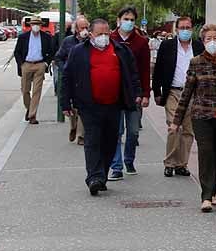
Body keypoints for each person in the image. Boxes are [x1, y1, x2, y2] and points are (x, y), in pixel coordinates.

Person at [60, 18, 141, 196]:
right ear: (91, 34)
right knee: (93, 140)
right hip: (89, 105)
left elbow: (132, 74)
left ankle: (102, 174)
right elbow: (67, 77)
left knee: (110, 141)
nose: (103, 37)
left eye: (106, 33)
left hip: (114, 104)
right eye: (99, 34)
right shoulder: (78, 52)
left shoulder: (120, 50)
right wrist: (65, 103)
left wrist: (136, 93)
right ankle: (94, 177)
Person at [168, 23, 216, 212]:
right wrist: (176, 121)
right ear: (203, 41)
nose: (212, 42)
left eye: (215, 38)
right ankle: (206, 196)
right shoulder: (196, 62)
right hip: (201, 115)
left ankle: (213, 191)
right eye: (208, 39)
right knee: (205, 152)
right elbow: (187, 93)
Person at [152, 17, 203, 178]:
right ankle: (170, 163)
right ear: (176, 29)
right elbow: (158, 69)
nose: (185, 31)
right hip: (173, 92)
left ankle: (182, 164)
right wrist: (157, 92)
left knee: (188, 130)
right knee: (174, 127)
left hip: (193, 93)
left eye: (188, 27)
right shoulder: (167, 46)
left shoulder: (198, 46)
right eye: (182, 28)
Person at [108, 6, 152, 181]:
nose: (129, 22)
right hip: (115, 94)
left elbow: (144, 70)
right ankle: (116, 166)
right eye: (125, 19)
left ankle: (129, 160)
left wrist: (146, 93)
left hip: (134, 94)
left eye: (132, 19)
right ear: (118, 20)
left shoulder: (141, 42)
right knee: (116, 131)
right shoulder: (110, 40)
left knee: (133, 131)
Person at [55, 16, 91, 144]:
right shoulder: (68, 41)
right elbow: (58, 57)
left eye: (87, 27)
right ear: (76, 29)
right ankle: (73, 127)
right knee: (73, 109)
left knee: (83, 108)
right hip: (72, 79)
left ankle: (81, 136)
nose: (85, 30)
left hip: (85, 80)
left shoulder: (91, 42)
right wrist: (64, 68)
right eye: (82, 28)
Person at [14, 16, 56, 124]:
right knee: (25, 90)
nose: (36, 26)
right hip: (26, 65)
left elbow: (52, 52)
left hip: (39, 65)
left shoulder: (46, 37)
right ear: (31, 25)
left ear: (41, 26)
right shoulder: (23, 37)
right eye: (34, 24)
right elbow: (17, 52)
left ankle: (32, 115)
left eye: (38, 24)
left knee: (37, 91)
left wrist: (46, 63)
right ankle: (29, 108)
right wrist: (21, 64)